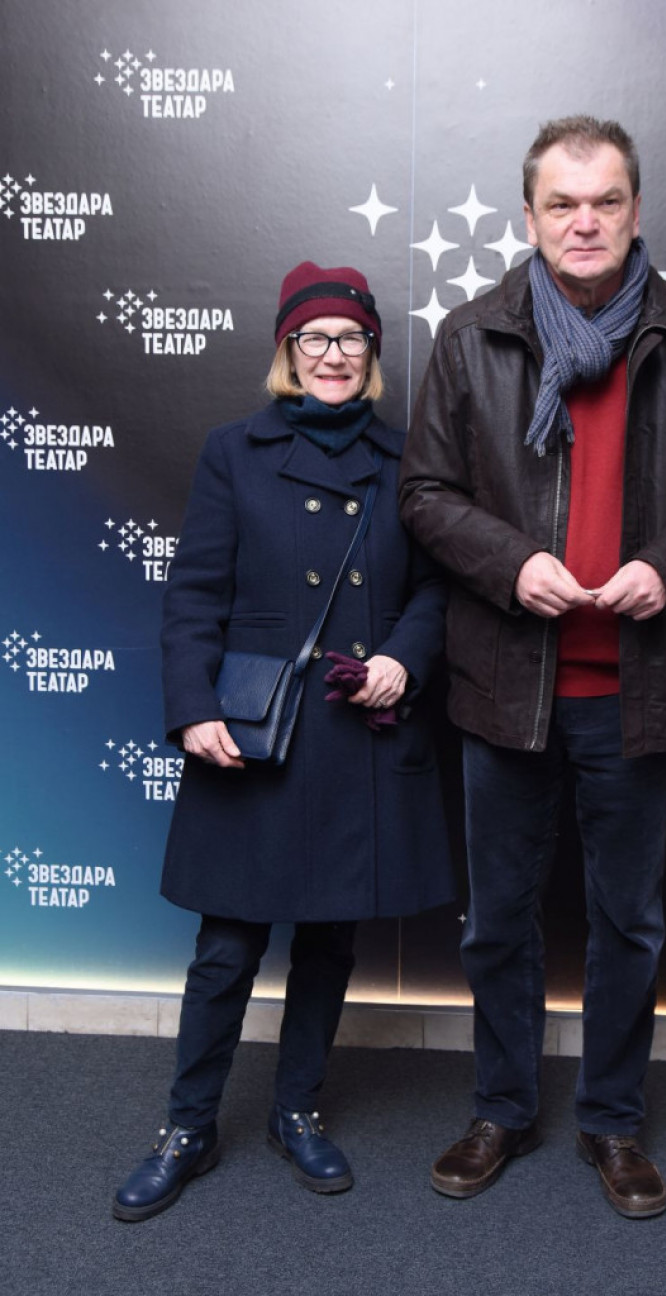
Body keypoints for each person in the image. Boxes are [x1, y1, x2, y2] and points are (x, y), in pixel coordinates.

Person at [399, 116, 666, 1218]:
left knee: (627, 924)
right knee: (498, 923)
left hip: (639, 692)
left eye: (606, 201)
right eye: (562, 203)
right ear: (529, 217)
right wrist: (512, 564)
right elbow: (425, 494)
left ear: (636, 210)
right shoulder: (471, 338)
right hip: (505, 687)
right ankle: (503, 1108)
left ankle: (612, 1121)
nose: (584, 222)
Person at [113, 261, 454, 1221]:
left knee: (329, 943)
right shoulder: (234, 452)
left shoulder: (407, 461)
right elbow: (194, 594)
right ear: (287, 351)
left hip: (355, 732)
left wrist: (403, 657)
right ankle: (188, 1128)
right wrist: (194, 707)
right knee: (226, 948)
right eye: (314, 338)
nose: (332, 354)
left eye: (350, 338)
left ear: (371, 353)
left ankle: (296, 1110)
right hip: (257, 737)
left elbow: (437, 587)